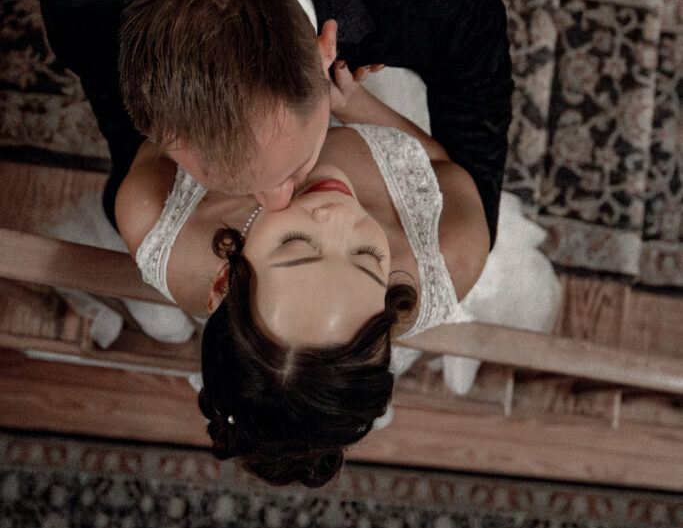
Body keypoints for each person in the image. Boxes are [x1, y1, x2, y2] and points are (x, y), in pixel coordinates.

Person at [111, 62, 560, 489]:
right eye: (367, 258)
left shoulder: (152, 215)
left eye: (297, 247)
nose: (337, 217)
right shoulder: (448, 255)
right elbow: (438, 167)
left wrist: (243, 113)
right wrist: (360, 110)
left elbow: (163, 113)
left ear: (223, 282)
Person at [40, 0, 512, 249]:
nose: (277, 202)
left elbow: (477, 96)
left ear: (327, 48)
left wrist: (472, 231)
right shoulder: (82, 3)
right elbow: (117, 109)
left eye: (291, 170)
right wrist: (142, 196)